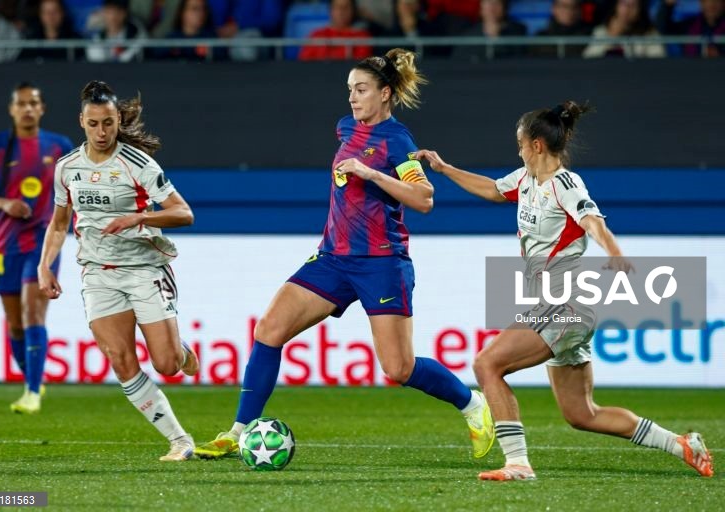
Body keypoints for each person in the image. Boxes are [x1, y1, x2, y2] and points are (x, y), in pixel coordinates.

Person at [194, 48, 494, 461]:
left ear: (385, 93)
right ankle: (237, 432)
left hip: (381, 263)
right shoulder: (346, 128)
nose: (353, 98)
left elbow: (425, 199)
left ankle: (473, 404)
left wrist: (372, 174)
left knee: (398, 368)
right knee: (269, 329)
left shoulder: (397, 140)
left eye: (362, 89)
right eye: (350, 90)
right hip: (333, 258)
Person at [414, 101, 714, 481]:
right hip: (555, 304)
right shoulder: (525, 180)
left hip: (566, 300)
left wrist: (617, 255)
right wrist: (443, 169)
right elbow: (492, 189)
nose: (518, 150)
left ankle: (518, 464)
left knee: (487, 364)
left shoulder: (565, 184)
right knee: (581, 414)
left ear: (537, 145)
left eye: (520, 143)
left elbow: (592, 221)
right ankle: (681, 444)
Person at [37, 80, 199, 461]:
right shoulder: (67, 168)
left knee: (167, 365)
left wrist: (138, 217)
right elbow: (60, 223)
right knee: (121, 360)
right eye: (94, 124)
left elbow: (184, 213)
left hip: (144, 267)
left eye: (108, 123)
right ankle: (180, 440)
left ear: (117, 120)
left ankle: (178, 350)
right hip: (97, 272)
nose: (102, 132)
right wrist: (45, 266)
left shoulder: (137, 164)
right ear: (82, 121)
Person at [0, 83, 73, 414]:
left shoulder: (60, 147)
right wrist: (5, 204)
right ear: (12, 109)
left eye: (34, 103)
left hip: (43, 241)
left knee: (33, 312)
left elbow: (74, 190)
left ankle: (31, 392)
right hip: (5, 243)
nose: (28, 109)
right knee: (14, 323)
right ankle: (33, 380)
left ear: (42, 108)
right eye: (21, 104)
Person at [582, 0, 665, 58]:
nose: (627, 9)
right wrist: (611, 37)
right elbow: (589, 58)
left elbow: (658, 61)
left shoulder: (649, 33)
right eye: (623, 4)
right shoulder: (602, 31)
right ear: (616, 6)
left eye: (633, 6)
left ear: (640, 9)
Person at [298, 0, 373, 61]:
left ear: (353, 10)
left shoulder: (361, 36)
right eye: (337, 7)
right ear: (330, 10)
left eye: (346, 7)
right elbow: (304, 65)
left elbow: (361, 69)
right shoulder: (317, 35)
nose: (341, 12)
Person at [655, 0, 725, 57]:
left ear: (723, 4)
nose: (711, 5)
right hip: (691, 70)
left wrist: (720, 54)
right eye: (707, 1)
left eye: (716, 1)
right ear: (701, 3)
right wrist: (668, 5)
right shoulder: (689, 26)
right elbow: (664, 28)